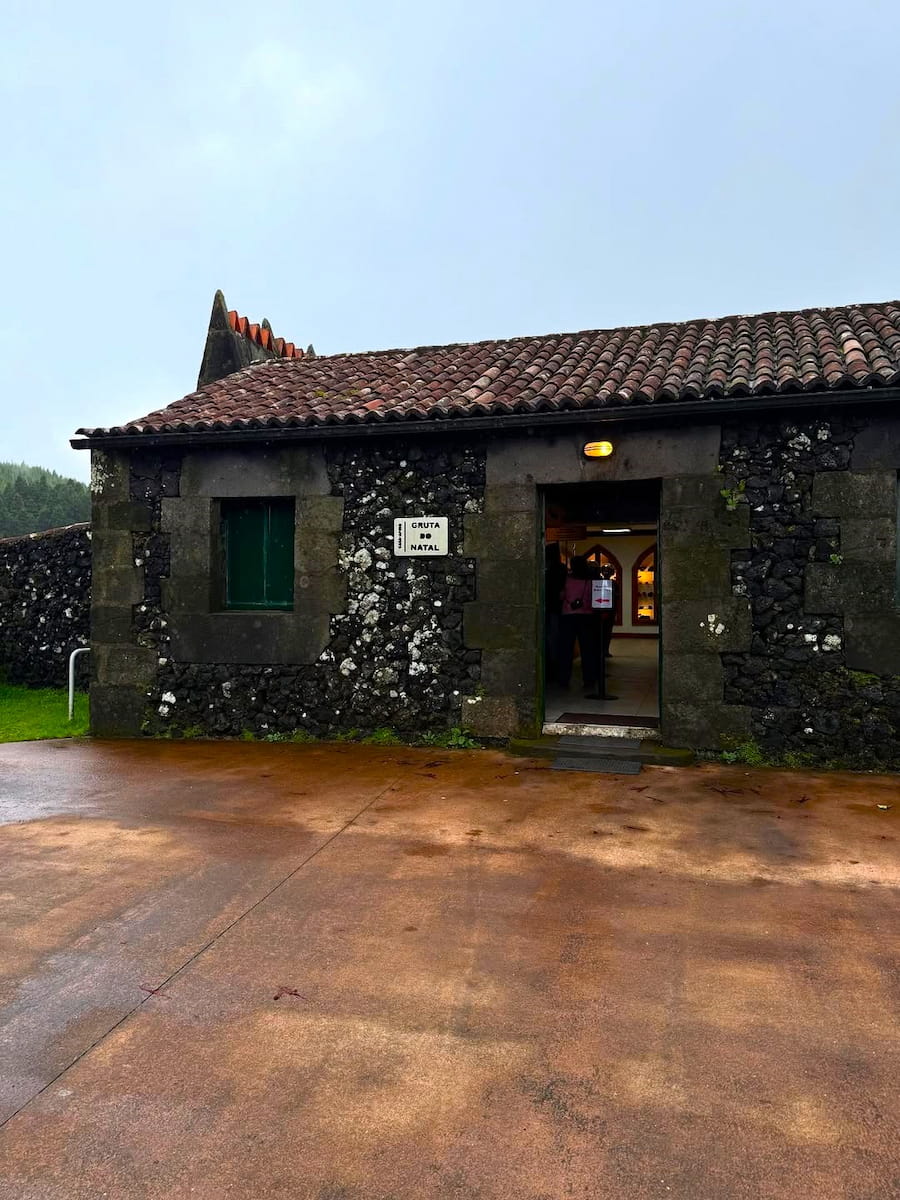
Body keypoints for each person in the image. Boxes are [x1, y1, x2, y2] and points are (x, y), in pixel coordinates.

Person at [557, 556, 616, 699]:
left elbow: (561, 596)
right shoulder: (590, 581)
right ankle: (589, 678)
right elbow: (593, 597)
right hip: (586, 617)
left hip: (568, 616)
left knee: (566, 649)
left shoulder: (567, 580)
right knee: (587, 649)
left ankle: (564, 679)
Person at [544, 544, 568, 684]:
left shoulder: (547, 568)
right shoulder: (562, 569)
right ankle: (556, 669)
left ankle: (552, 668)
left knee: (550, 638)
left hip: (550, 607)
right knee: (555, 638)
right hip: (558, 608)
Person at [598, 563, 618, 660]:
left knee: (607, 632)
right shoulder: (598, 582)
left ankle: (605, 650)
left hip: (610, 611)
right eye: (605, 571)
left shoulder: (614, 584)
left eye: (608, 571)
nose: (606, 573)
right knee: (601, 632)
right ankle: (601, 650)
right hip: (600, 610)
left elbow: (616, 598)